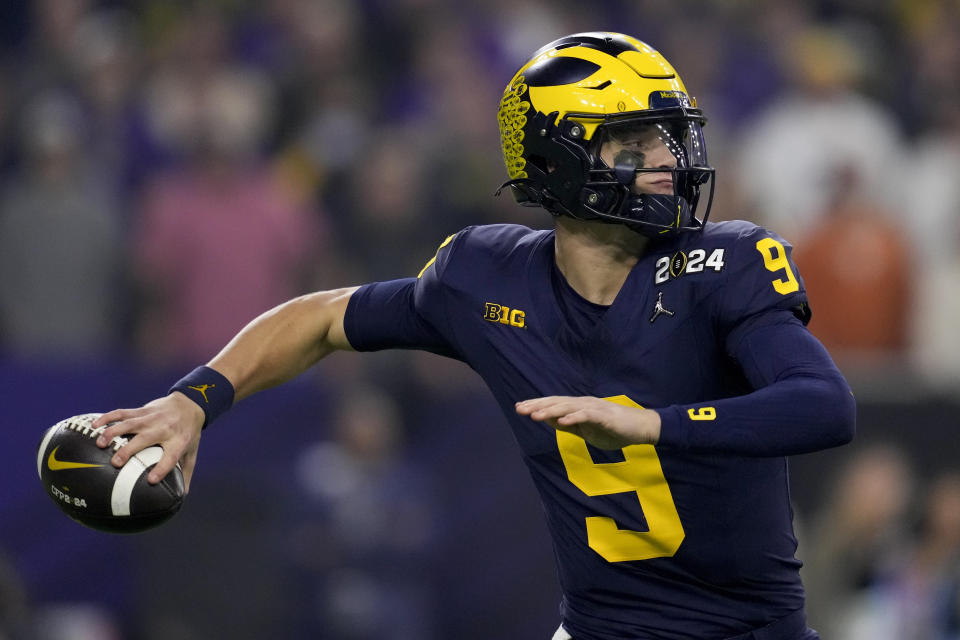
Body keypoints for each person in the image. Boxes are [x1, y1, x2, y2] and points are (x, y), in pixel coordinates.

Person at [92, 32, 855, 639]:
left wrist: (656, 424)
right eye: (635, 142)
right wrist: (195, 401)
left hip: (746, 633)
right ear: (559, 159)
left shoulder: (724, 264)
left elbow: (824, 404)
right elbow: (321, 317)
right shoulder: (485, 278)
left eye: (670, 137)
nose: (668, 162)